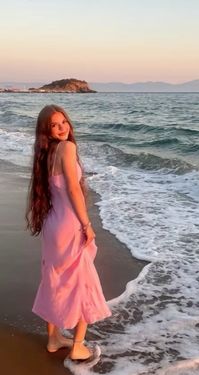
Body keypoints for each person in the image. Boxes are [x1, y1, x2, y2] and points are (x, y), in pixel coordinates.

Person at [26, 104, 112, 362]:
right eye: (55, 124)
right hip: (69, 224)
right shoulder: (67, 148)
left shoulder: (45, 153)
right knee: (81, 281)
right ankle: (77, 345)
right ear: (47, 130)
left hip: (53, 224)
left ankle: (53, 339)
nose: (62, 127)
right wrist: (87, 225)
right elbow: (73, 190)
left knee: (54, 280)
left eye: (64, 122)